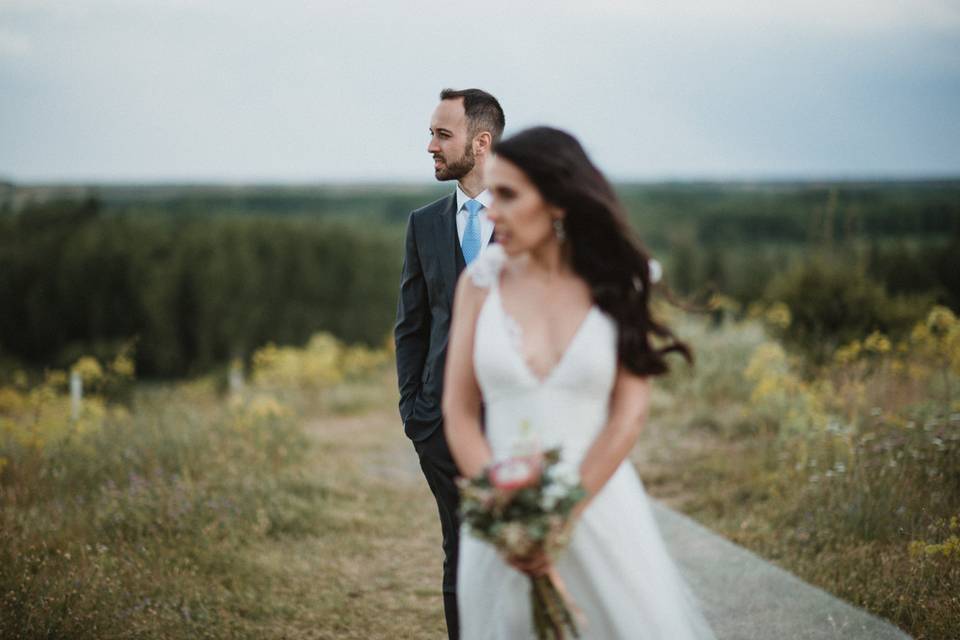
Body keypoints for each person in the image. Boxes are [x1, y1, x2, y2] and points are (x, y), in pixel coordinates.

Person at [442, 126, 716, 639]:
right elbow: (458, 411)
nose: (490, 209)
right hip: (503, 521)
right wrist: (507, 515)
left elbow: (629, 413)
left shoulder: (617, 284)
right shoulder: (479, 285)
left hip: (599, 507)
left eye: (507, 194)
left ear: (558, 203)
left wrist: (564, 513)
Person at [394, 88, 505, 640]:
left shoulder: (529, 220)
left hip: (515, 427)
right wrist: (415, 414)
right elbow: (411, 326)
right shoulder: (423, 224)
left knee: (515, 553)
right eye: (432, 133)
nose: (430, 146)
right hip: (439, 426)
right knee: (460, 554)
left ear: (480, 143)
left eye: (443, 134)